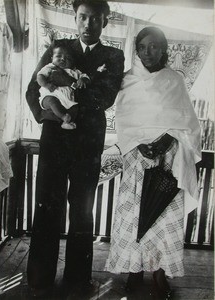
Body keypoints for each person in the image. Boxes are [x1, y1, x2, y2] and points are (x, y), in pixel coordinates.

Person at [25, 0, 124, 297]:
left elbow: (104, 97)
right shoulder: (60, 47)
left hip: (88, 145)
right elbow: (34, 88)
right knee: (46, 205)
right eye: (83, 17)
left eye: (95, 19)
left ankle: (78, 279)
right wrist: (49, 108)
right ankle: (39, 277)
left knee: (82, 210)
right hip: (54, 141)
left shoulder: (113, 55)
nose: (88, 24)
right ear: (75, 17)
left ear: (104, 21)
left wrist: (66, 93)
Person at [104, 27, 201, 300]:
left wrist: (169, 139)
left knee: (164, 216)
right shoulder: (127, 81)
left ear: (164, 49)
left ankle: (159, 273)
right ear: (137, 49)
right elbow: (124, 120)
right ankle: (135, 270)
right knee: (136, 215)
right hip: (137, 157)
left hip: (169, 158)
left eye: (154, 46)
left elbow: (186, 121)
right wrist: (138, 143)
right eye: (143, 47)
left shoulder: (175, 80)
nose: (149, 52)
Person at [37, 45, 91, 130]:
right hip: (50, 95)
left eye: (68, 58)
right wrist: (46, 85)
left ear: (73, 61)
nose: (63, 59)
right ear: (52, 58)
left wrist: (83, 80)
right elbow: (40, 76)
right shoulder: (50, 67)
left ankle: (66, 122)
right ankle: (63, 117)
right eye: (58, 56)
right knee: (52, 102)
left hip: (67, 100)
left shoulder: (75, 71)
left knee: (76, 107)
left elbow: (86, 77)